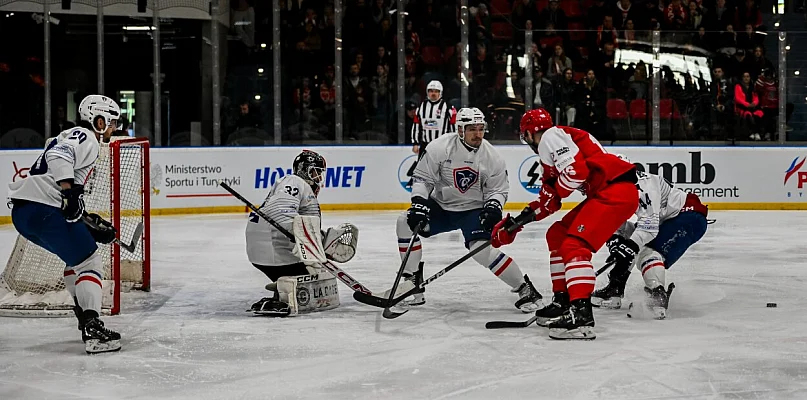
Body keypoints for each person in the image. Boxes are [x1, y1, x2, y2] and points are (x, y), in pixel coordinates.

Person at [490, 108, 639, 340]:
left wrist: (556, 191)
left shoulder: (550, 136)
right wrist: (515, 224)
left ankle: (581, 314)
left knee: (574, 246)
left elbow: (577, 173)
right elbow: (549, 202)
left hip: (615, 191)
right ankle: (563, 301)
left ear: (529, 133)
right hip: (608, 193)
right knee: (557, 235)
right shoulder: (553, 150)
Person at [390, 107, 543, 312]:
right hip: (442, 206)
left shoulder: (492, 156)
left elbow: (498, 189)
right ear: (460, 130)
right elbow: (422, 179)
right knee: (404, 222)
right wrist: (418, 202)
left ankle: (525, 289)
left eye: (481, 129)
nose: (478, 134)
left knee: (481, 251)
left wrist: (493, 207)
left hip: (473, 210)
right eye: (472, 129)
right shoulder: (439, 147)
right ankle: (412, 284)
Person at [7, 95, 122, 354]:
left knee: (75, 261)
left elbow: (60, 180)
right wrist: (70, 195)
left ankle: (84, 317)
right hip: (43, 211)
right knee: (90, 262)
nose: (115, 128)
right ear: (99, 121)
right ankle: (92, 325)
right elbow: (60, 156)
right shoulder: (86, 136)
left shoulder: (72, 135)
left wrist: (82, 215)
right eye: (112, 122)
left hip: (25, 215)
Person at [592, 155, 708, 320]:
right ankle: (616, 288)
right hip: (669, 220)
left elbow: (649, 228)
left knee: (647, 251)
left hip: (689, 218)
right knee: (630, 242)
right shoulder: (619, 186)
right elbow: (616, 221)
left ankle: (657, 295)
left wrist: (628, 246)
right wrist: (615, 241)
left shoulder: (646, 185)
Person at [245, 150, 359, 317]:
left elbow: (293, 221)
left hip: (261, 251)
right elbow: (279, 213)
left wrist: (315, 240)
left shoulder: (295, 186)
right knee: (317, 281)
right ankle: (286, 289)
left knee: (320, 279)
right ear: (303, 170)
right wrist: (308, 241)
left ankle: (282, 287)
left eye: (320, 173)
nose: (319, 177)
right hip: (272, 250)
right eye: (315, 172)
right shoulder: (294, 181)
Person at [406, 80, 457, 188]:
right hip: (426, 144)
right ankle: (419, 189)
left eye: (436, 91)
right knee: (422, 168)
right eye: (431, 91)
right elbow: (416, 126)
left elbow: (453, 126)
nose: (433, 93)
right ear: (427, 92)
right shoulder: (421, 107)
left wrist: (454, 143)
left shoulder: (448, 107)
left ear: (440, 93)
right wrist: (415, 143)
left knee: (443, 168)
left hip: (442, 145)